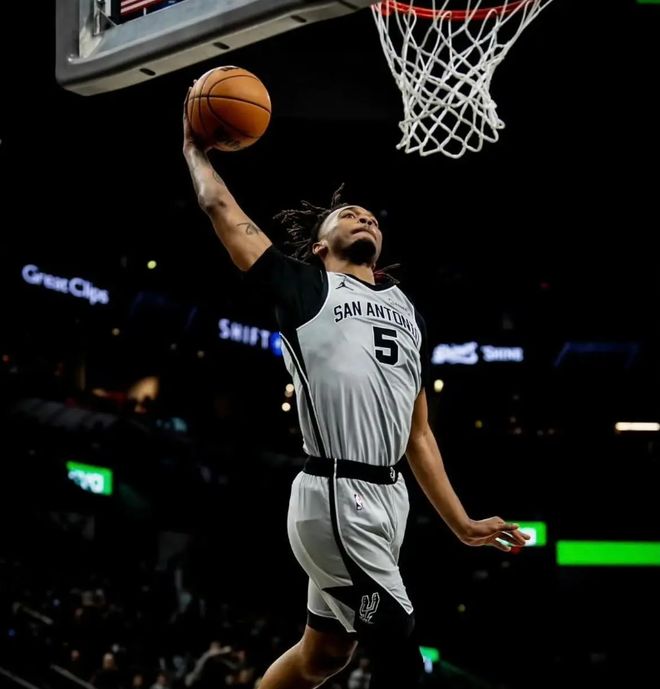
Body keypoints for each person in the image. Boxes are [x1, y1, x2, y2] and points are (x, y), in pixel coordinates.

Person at [182, 95, 529, 689]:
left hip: (389, 499)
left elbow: (418, 434)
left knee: (323, 657)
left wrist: (461, 522)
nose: (364, 218)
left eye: (370, 217)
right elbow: (221, 208)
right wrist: (196, 151)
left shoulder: (407, 310)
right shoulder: (303, 289)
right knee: (398, 644)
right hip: (338, 493)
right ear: (320, 246)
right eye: (348, 216)